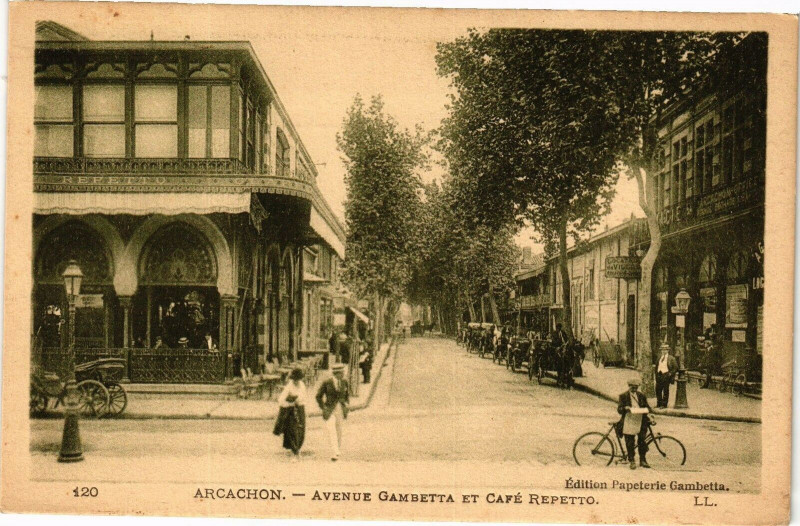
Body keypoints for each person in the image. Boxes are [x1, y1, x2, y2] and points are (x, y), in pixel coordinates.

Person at [316, 363, 350, 461]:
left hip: (340, 408)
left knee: (339, 430)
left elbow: (347, 394)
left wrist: (346, 404)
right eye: (342, 372)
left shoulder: (344, 382)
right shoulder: (327, 382)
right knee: (331, 430)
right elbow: (318, 396)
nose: (343, 374)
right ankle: (335, 452)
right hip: (330, 409)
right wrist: (323, 407)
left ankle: (337, 450)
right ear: (336, 373)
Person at [617, 378, 652, 470]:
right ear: (629, 386)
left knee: (642, 440)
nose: (634, 389)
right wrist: (625, 408)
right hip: (629, 421)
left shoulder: (641, 396)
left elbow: (648, 408)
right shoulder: (623, 396)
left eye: (636, 387)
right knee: (630, 442)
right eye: (632, 387)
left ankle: (643, 460)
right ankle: (632, 460)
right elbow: (619, 410)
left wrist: (646, 411)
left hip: (641, 421)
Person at [273, 368, 307, 460]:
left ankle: (298, 448)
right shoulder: (289, 387)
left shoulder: (302, 385)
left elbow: (303, 397)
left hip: (300, 408)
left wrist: (299, 401)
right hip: (290, 410)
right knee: (292, 430)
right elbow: (280, 400)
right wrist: (289, 403)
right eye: (294, 379)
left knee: (301, 429)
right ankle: (295, 451)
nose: (296, 381)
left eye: (298, 379)